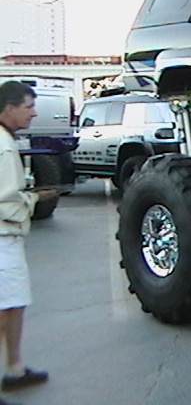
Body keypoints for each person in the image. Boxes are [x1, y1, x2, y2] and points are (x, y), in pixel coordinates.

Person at [0, 81, 58, 405]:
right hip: (3, 237)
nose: (33, 113)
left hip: (7, 238)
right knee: (4, 309)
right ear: (9, 108)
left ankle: (15, 367)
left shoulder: (6, 141)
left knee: (13, 305)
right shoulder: (4, 146)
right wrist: (34, 199)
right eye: (28, 107)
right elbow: (5, 200)